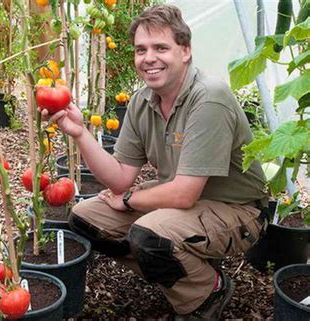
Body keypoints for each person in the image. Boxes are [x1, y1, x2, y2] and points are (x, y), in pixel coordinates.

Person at [43, 4, 269, 320]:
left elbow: (183, 194)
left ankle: (208, 291)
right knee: (86, 218)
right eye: (141, 49)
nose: (148, 58)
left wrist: (131, 200)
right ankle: (186, 275)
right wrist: (80, 133)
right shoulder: (142, 101)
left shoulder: (209, 98)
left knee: (149, 234)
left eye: (161, 47)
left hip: (237, 210)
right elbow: (120, 178)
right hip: (182, 203)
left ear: (186, 51)